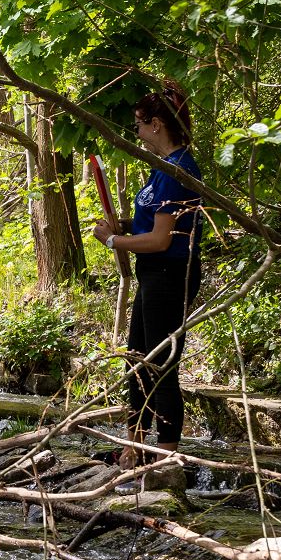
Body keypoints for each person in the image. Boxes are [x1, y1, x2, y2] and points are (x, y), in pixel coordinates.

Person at [92, 84, 203, 471]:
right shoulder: (162, 168)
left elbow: (160, 240)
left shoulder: (179, 170)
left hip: (171, 275)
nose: (136, 132)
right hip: (152, 276)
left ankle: (165, 460)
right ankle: (134, 449)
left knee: (160, 367)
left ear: (156, 124)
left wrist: (113, 241)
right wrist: (121, 225)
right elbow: (153, 221)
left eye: (139, 124)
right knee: (137, 362)